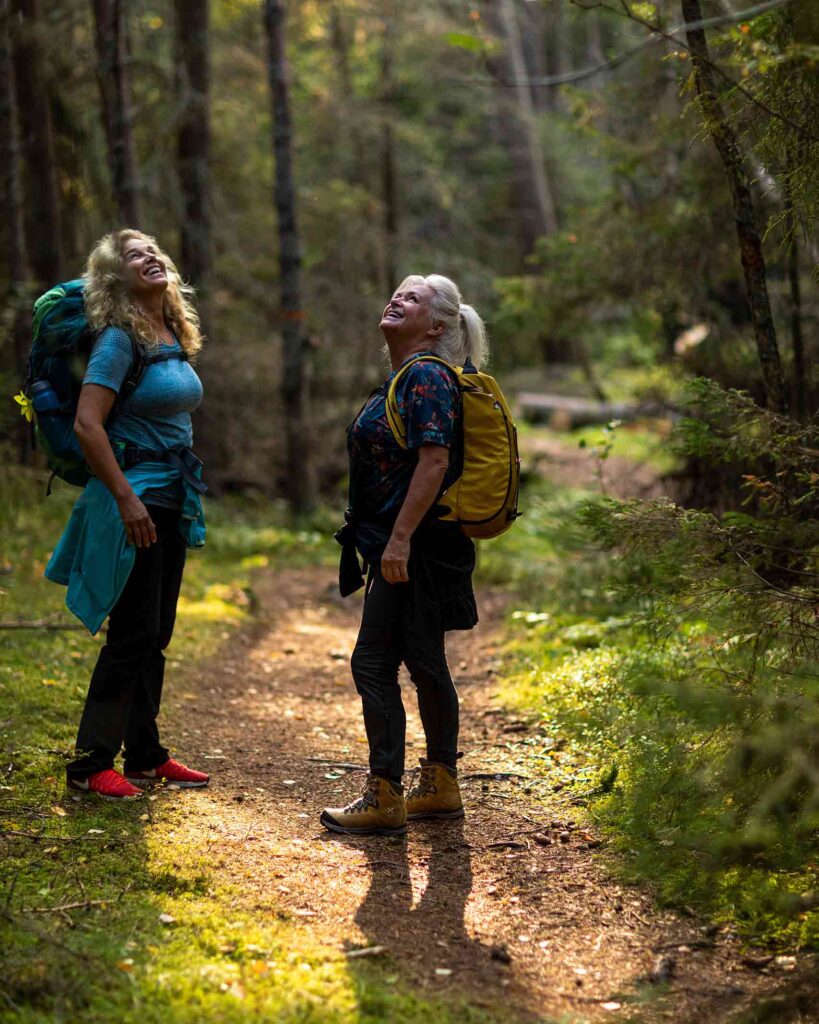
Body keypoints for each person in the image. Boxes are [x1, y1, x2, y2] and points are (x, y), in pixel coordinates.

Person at [46, 229, 210, 800]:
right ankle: (91, 763)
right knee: (133, 632)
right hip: (134, 497)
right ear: (117, 278)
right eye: (133, 255)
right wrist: (125, 497)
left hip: (171, 496)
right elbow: (88, 425)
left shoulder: (169, 332)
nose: (149, 257)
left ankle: (144, 754)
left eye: (153, 250)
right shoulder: (119, 339)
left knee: (155, 631)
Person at [322, 274, 487, 836]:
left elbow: (434, 462)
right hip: (415, 546)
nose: (396, 298)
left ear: (436, 325)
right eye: (395, 291)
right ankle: (437, 785)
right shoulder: (408, 378)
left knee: (375, 663)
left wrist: (398, 540)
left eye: (411, 298)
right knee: (420, 661)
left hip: (414, 548)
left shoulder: (424, 377)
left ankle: (386, 795)